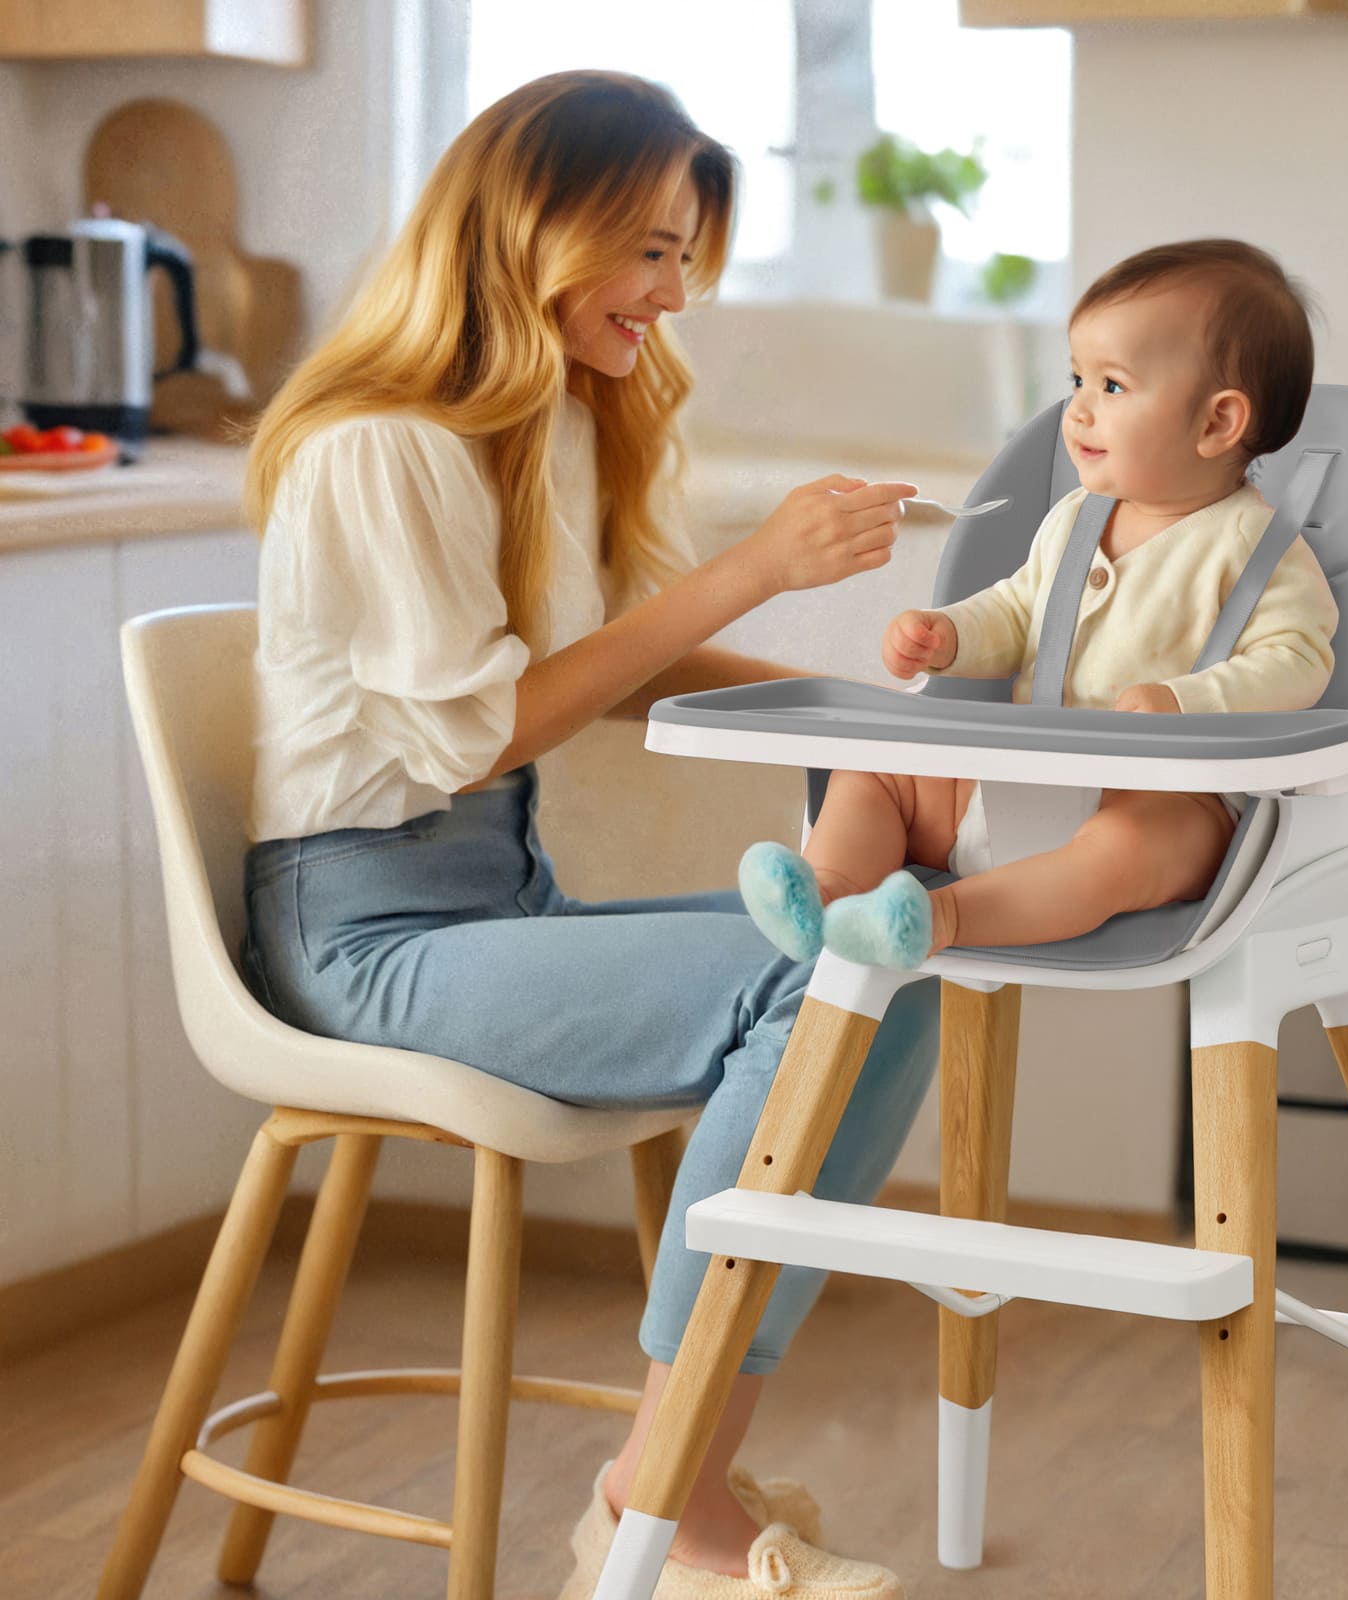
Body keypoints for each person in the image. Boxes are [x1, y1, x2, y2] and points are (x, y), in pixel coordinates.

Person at [239, 71, 936, 1600]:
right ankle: (667, 1503)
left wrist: (849, 710)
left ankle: (667, 1463)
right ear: (536, 228)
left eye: (686, 260)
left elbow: (616, 658)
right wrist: (753, 569)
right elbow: (482, 731)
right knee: (818, 982)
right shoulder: (383, 445)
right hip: (364, 938)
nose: (669, 298)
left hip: (494, 899)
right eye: (648, 252)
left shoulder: (547, 422)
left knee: (891, 970)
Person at [737, 239, 1339, 970]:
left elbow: (1298, 660)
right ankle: (827, 898)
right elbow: (1020, 611)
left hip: (1169, 802)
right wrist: (950, 634)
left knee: (1122, 850)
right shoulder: (1077, 518)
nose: (1077, 409)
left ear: (1216, 424)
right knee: (877, 773)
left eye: (1111, 387)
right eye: (1076, 378)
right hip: (1019, 781)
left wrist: (1186, 701)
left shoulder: (1254, 546)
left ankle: (936, 917)